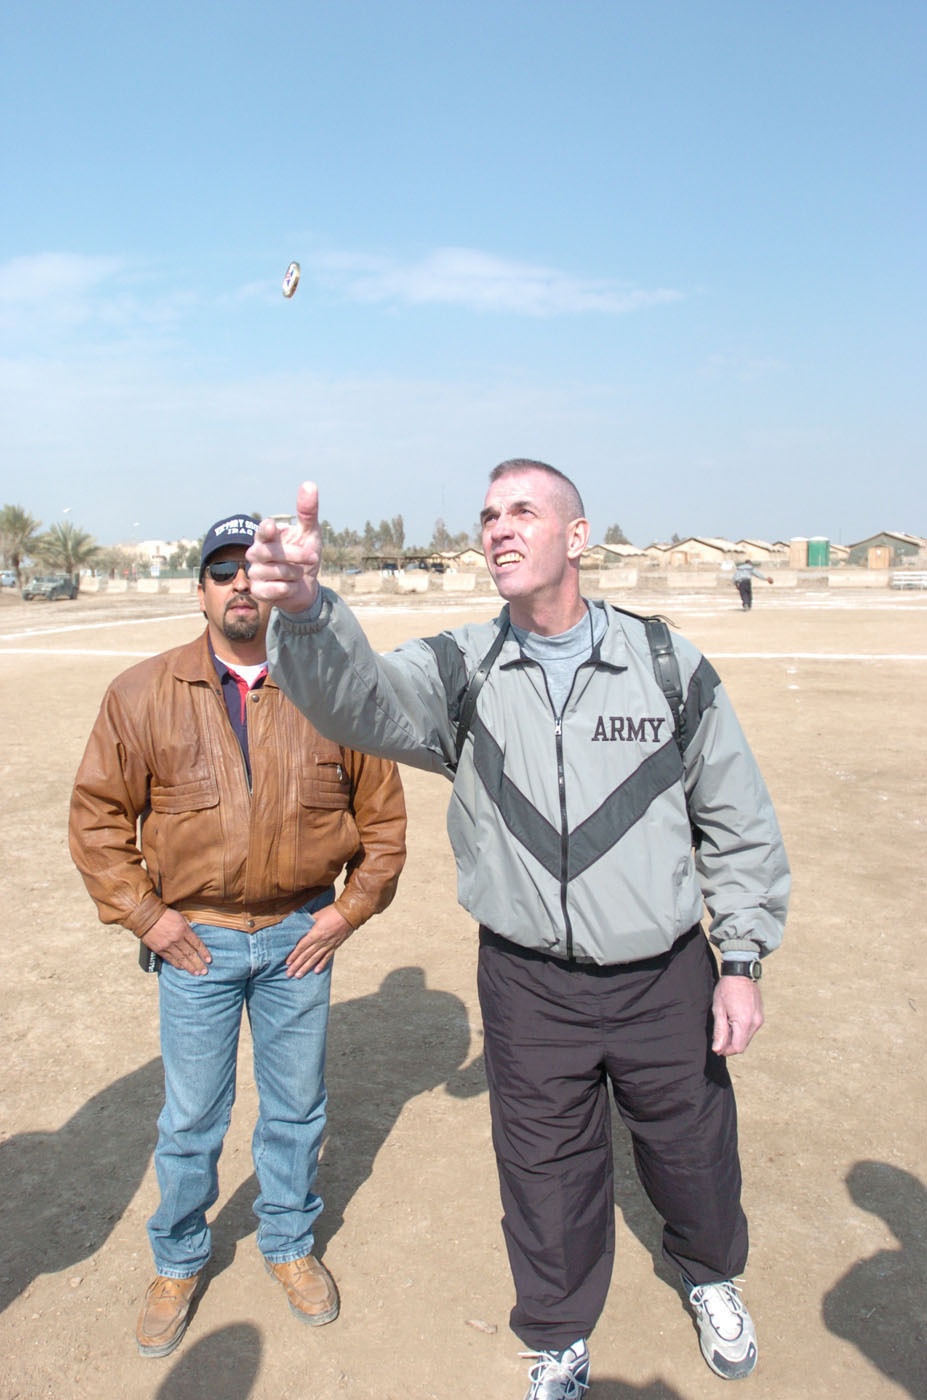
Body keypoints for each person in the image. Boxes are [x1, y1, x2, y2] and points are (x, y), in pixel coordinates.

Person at [247, 463, 790, 1399]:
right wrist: (302, 613)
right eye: (488, 516)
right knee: (543, 1172)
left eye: (523, 513)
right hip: (528, 984)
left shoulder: (667, 665)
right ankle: (558, 1337)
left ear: (575, 538)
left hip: (665, 975)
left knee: (692, 1150)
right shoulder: (460, 670)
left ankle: (710, 1278)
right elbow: (353, 699)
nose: (498, 529)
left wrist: (736, 959)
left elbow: (736, 822)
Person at [69, 513, 406, 1359]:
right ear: (201, 591)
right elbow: (98, 821)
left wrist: (346, 911)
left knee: (295, 1111)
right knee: (192, 1118)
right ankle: (179, 1260)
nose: (240, 586)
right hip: (199, 946)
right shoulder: (141, 692)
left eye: (251, 570)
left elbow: (386, 821)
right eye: (223, 572)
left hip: (299, 938)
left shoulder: (329, 689)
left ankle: (288, 1245)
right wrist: (149, 916)